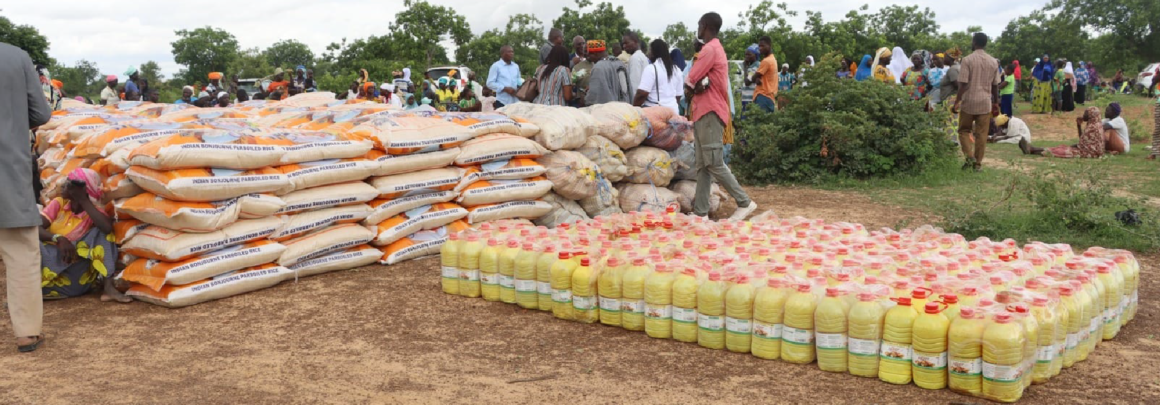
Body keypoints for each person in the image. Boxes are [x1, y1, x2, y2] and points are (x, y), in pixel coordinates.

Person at [2, 42, 52, 353]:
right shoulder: (16, 57)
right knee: (20, 250)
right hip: (6, 169)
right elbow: (40, 113)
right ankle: (26, 333)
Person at [685, 12, 757, 221]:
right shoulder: (713, 49)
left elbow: (690, 80)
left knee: (714, 162)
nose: (697, 29)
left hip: (710, 111)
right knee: (702, 165)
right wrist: (695, 87)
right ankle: (700, 213)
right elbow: (694, 85)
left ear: (705, 25)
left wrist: (694, 87)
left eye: (699, 25)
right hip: (702, 111)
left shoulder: (710, 49)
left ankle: (744, 202)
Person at [39, 168, 126, 302]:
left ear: (81, 190)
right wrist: (58, 238)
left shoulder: (93, 212)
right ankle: (32, 289)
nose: (63, 185)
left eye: (69, 183)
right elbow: (36, 228)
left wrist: (83, 200)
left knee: (102, 234)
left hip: (75, 274)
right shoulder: (59, 204)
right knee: (28, 240)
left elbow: (107, 228)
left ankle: (108, 288)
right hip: (51, 266)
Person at [952, 33, 1001, 172]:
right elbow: (995, 85)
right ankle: (978, 164)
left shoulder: (967, 60)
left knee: (963, 130)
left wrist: (957, 101)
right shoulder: (993, 61)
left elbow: (963, 83)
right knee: (981, 134)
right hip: (985, 103)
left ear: (974, 42)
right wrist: (996, 103)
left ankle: (969, 156)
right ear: (985, 43)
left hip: (969, 101)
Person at [1020, 107, 1107, 158]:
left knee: (1062, 151)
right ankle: (1032, 149)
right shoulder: (1097, 124)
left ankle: (1032, 150)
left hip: (1090, 153)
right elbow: (1083, 141)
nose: (1083, 115)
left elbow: (1081, 143)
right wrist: (1079, 126)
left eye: (1086, 114)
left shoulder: (1092, 127)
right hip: (1092, 151)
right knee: (1062, 148)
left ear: (1091, 115)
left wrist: (1075, 145)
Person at [634, 39, 682, 114]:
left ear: (654, 52)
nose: (648, 53)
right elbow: (678, 96)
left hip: (655, 113)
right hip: (674, 112)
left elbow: (642, 94)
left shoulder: (651, 68)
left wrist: (634, 109)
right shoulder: (677, 70)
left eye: (649, 50)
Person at [585, 40, 631, 106]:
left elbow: (595, 97)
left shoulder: (598, 67)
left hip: (610, 111)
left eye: (589, 54)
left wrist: (588, 94)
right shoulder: (620, 63)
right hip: (625, 108)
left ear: (595, 53)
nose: (588, 57)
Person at [750, 36, 778, 113]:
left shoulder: (766, 61)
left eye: (763, 46)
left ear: (769, 46)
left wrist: (755, 78)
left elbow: (752, 78)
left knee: (759, 122)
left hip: (763, 96)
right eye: (759, 46)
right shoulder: (773, 59)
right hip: (770, 97)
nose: (760, 48)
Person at [623, 31, 648, 97]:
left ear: (635, 42)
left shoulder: (635, 58)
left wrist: (633, 104)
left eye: (626, 43)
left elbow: (634, 85)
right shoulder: (642, 56)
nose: (624, 46)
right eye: (623, 44)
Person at [738, 44, 760, 110]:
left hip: (750, 99)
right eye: (746, 55)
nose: (746, 57)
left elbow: (747, 82)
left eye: (749, 55)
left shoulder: (756, 66)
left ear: (756, 55)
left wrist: (745, 67)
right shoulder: (751, 66)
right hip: (746, 98)